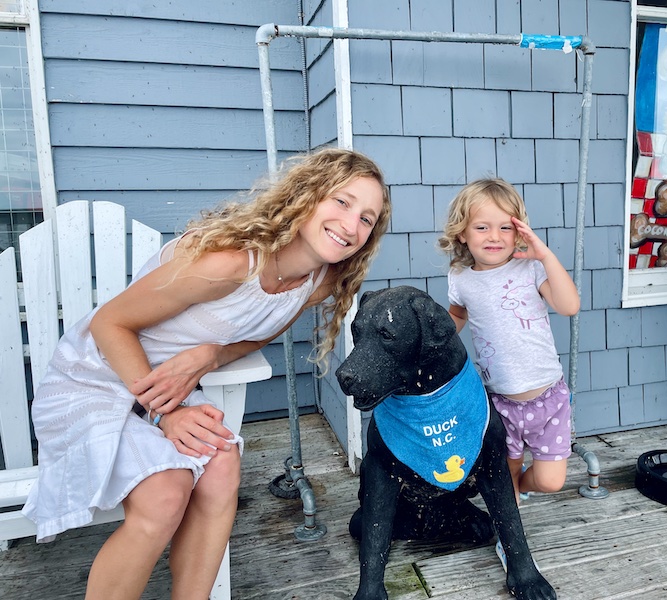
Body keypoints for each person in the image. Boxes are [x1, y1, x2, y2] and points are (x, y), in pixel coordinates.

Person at [21, 147, 391, 600]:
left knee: (221, 468)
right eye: (341, 201)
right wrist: (167, 415)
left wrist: (211, 356)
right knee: (165, 493)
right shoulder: (228, 263)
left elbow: (261, 329)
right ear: (306, 196)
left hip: (163, 384)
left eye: (367, 218)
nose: (351, 225)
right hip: (97, 375)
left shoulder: (320, 279)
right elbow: (108, 324)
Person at [438, 178, 579, 567]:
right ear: (462, 233)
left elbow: (569, 306)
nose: (494, 236)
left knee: (550, 480)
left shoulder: (530, 269)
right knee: (504, 479)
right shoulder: (461, 279)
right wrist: (435, 340)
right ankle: (509, 534)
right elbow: (457, 316)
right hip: (499, 402)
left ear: (519, 230)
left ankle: (517, 491)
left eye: (505, 226)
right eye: (482, 227)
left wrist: (544, 255)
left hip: (548, 398)